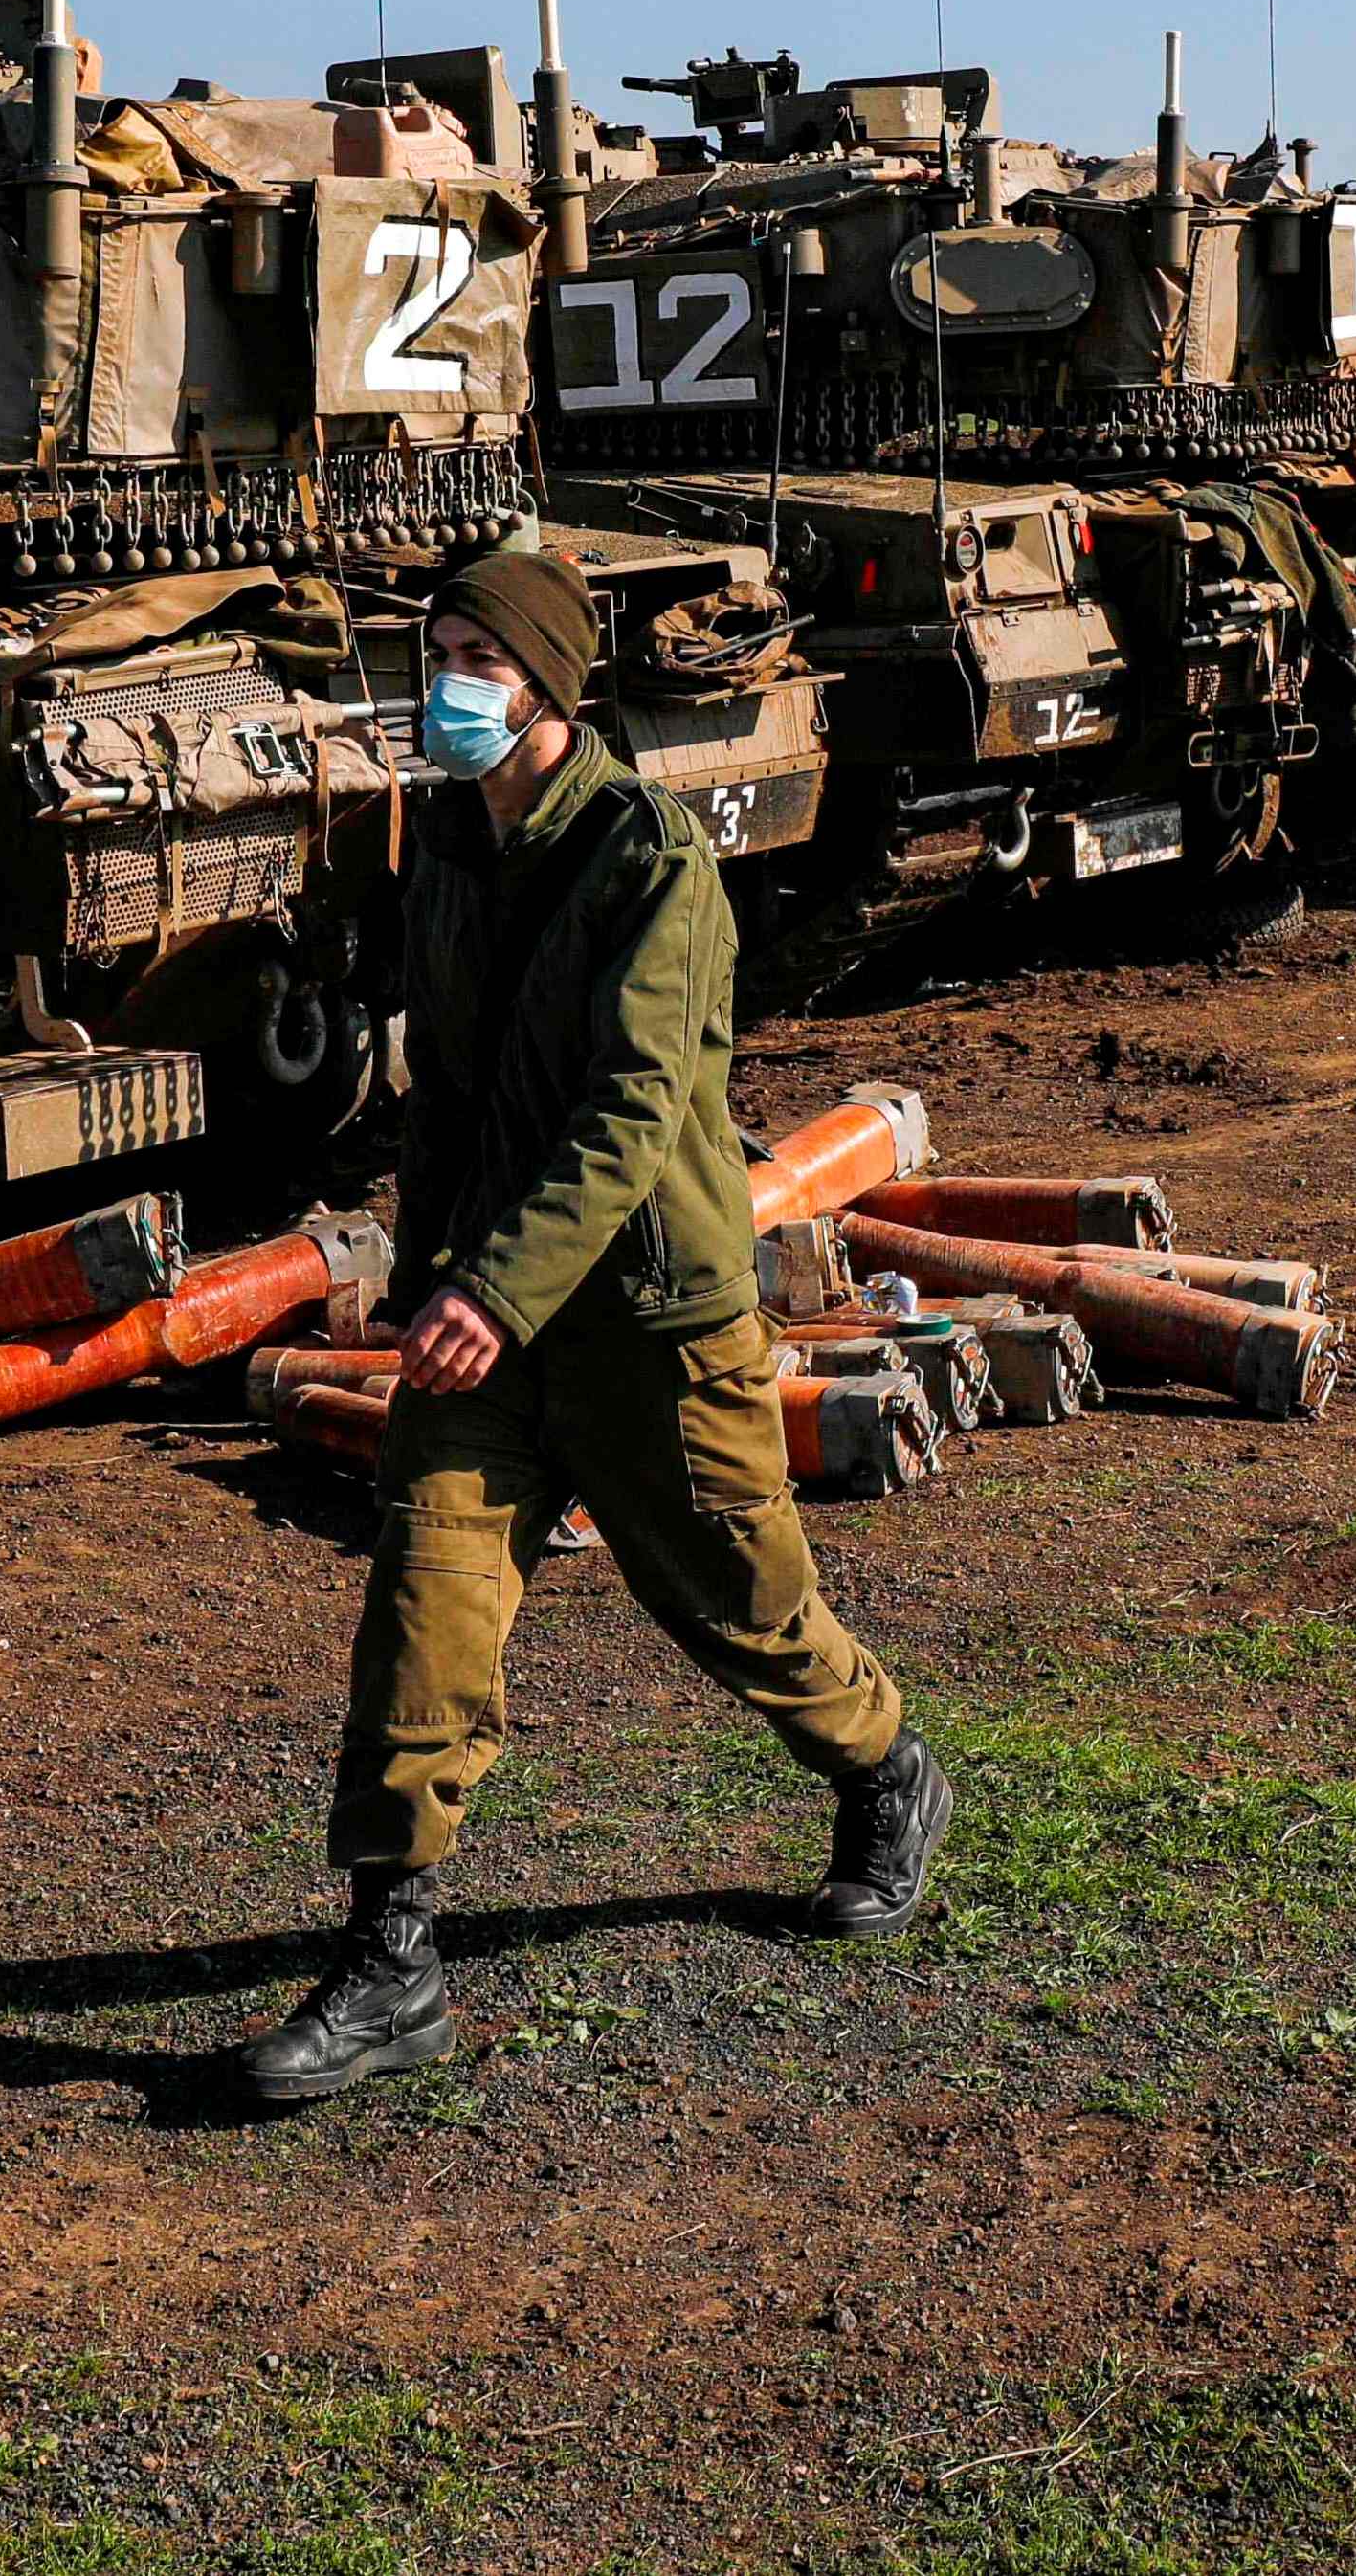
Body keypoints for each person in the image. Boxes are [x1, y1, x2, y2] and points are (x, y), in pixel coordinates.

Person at [237, 532, 952, 2108]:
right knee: (423, 1601)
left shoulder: (651, 861)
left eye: (479, 665)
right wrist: (432, 1275)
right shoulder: (449, 840)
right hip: (487, 1320)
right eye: (436, 660)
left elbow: (632, 1113)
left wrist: (494, 1288)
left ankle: (885, 1765)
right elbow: (444, 1088)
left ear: (553, 689)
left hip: (646, 1316)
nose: (446, 690)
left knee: (738, 1601)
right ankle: (391, 1962)